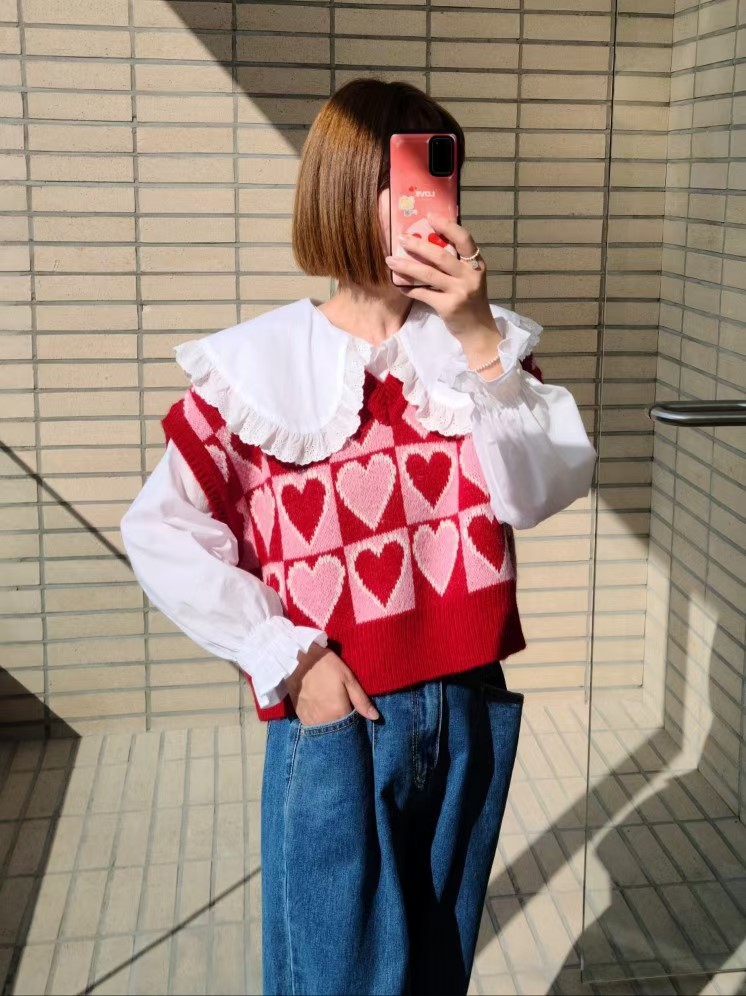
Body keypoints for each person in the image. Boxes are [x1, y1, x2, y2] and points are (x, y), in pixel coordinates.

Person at [120, 78, 597, 996]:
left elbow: (544, 490)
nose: (433, 201)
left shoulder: (481, 349)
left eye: (441, 175)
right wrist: (290, 658)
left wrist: (479, 340)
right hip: (341, 718)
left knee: (437, 970)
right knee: (332, 980)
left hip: (469, 703)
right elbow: (162, 529)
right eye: (407, 176)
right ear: (343, 188)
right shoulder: (256, 367)